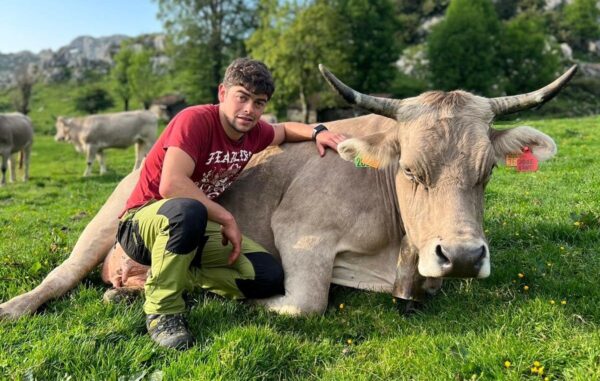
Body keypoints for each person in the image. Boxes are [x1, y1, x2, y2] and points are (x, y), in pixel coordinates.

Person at [114, 57, 346, 350]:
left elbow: (285, 129)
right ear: (223, 93)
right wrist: (226, 218)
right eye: (243, 97)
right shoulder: (194, 120)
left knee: (267, 277)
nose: (250, 110)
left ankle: (161, 276)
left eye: (259, 103)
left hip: (192, 229)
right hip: (143, 223)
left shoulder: (253, 132)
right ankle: (163, 311)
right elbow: (171, 184)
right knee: (188, 210)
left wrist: (318, 132)